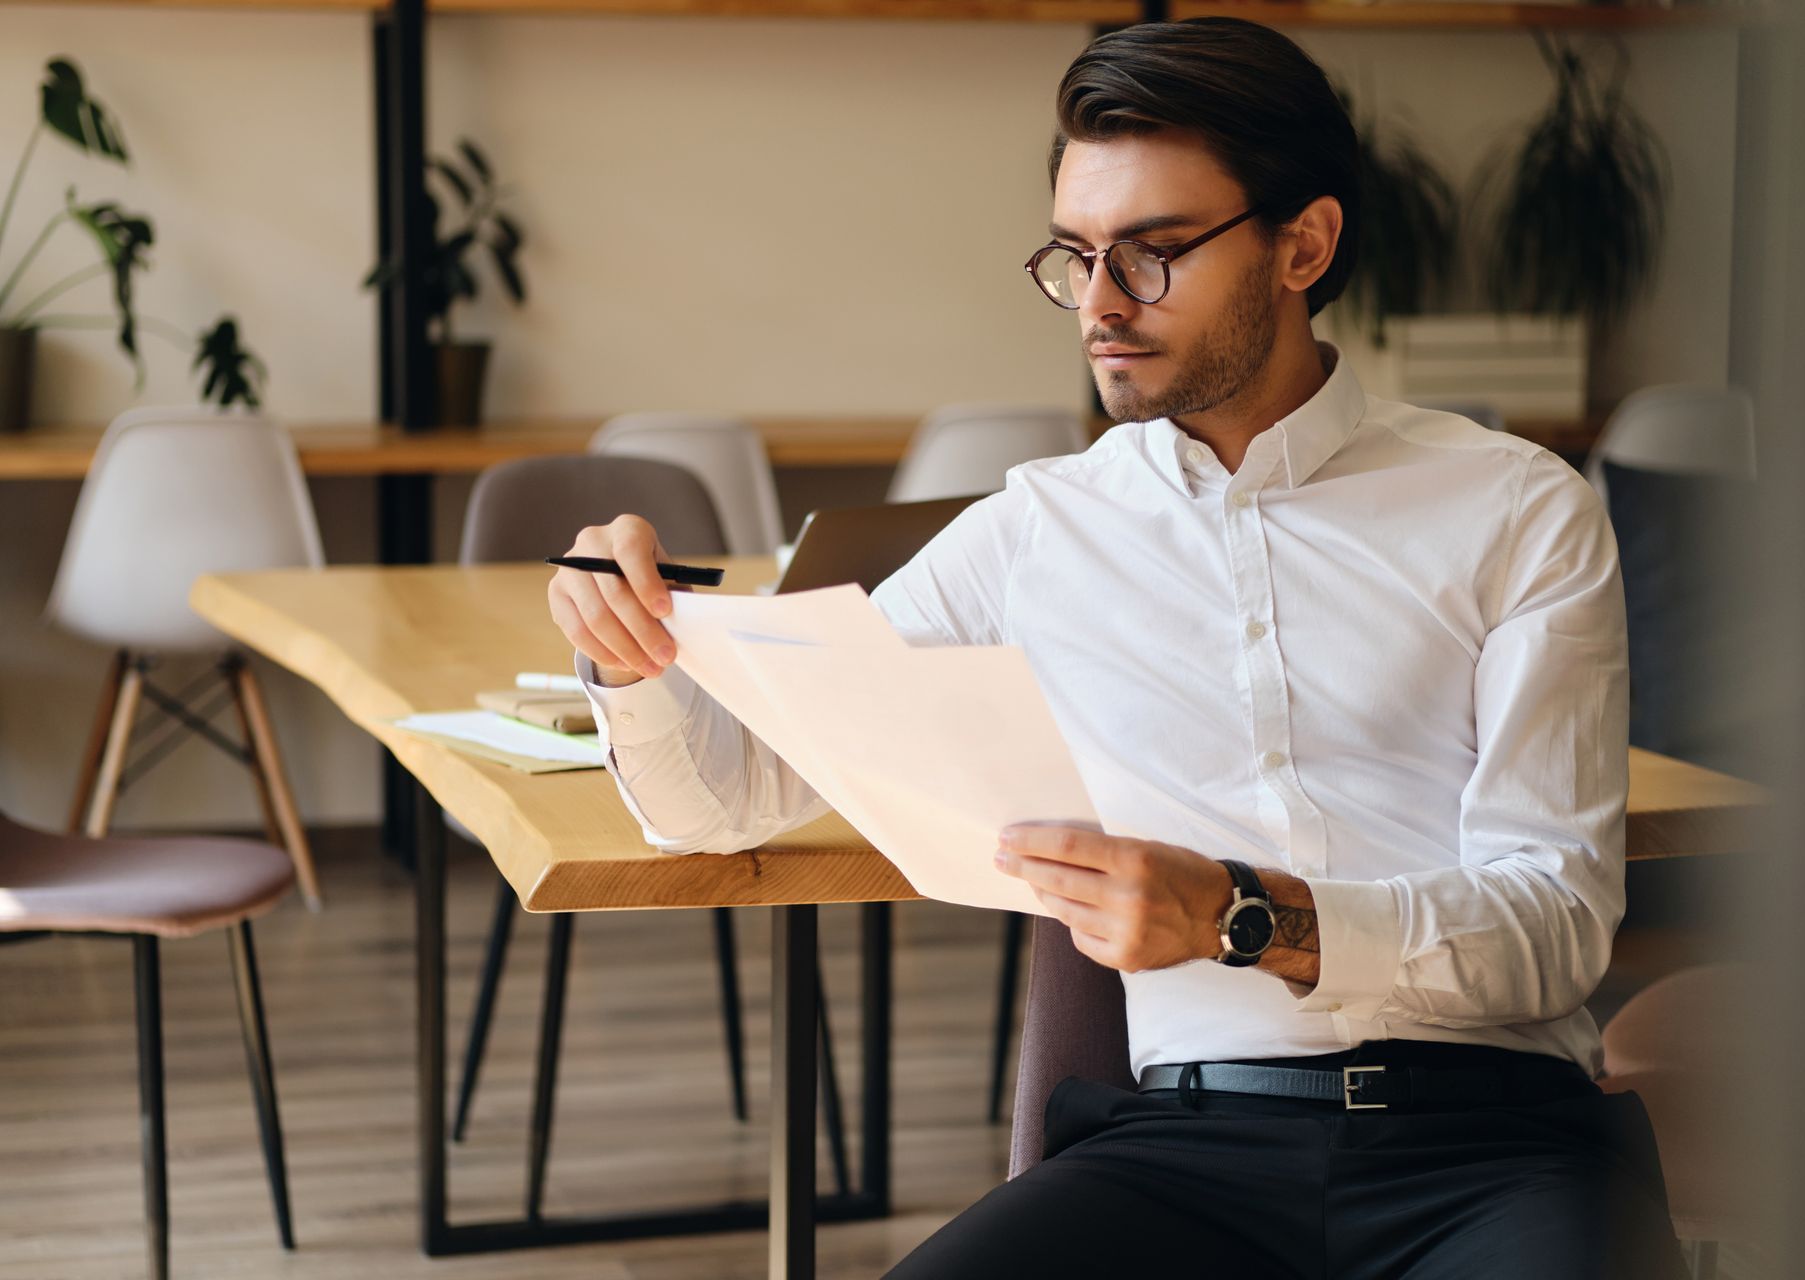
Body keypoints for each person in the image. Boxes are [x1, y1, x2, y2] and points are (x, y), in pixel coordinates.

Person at [547, 17, 1684, 1279]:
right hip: (1186, 1152)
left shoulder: (1518, 508)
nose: (1098, 306)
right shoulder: (1035, 532)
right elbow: (725, 797)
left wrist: (1246, 916)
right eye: (1077, 256)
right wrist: (628, 652)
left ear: (1302, 243)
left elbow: (1557, 923)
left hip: (1501, 1146)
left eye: (1152, 255)